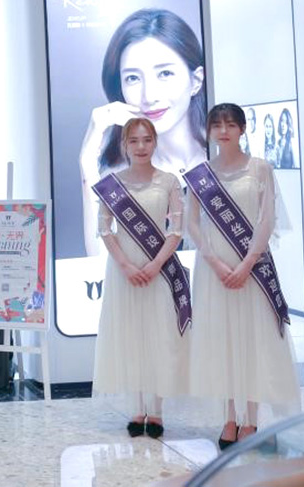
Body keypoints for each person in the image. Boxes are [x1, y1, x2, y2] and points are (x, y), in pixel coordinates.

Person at [185, 103, 299, 449]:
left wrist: (248, 262)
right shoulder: (200, 174)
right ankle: (229, 418)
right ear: (209, 131)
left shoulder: (260, 169)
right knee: (221, 341)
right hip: (213, 271)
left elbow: (267, 220)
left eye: (231, 124)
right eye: (217, 125)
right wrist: (216, 262)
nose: (224, 131)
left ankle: (251, 420)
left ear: (242, 129)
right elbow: (192, 223)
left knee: (253, 339)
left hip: (252, 267)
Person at [80, 8, 206, 256]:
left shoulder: (227, 159)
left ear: (196, 81)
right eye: (133, 78)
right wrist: (86, 164)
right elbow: (100, 262)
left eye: (165, 73)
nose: (149, 96)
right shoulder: (117, 175)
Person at [92, 118, 189, 439]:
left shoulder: (169, 181)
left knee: (159, 335)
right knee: (130, 335)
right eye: (133, 141)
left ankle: (156, 411)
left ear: (155, 142)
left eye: (147, 140)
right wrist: (125, 265)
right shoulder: (112, 184)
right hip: (124, 272)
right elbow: (105, 229)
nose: (141, 146)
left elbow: (176, 230)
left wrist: (156, 263)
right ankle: (136, 408)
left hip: (159, 270)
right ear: (124, 145)